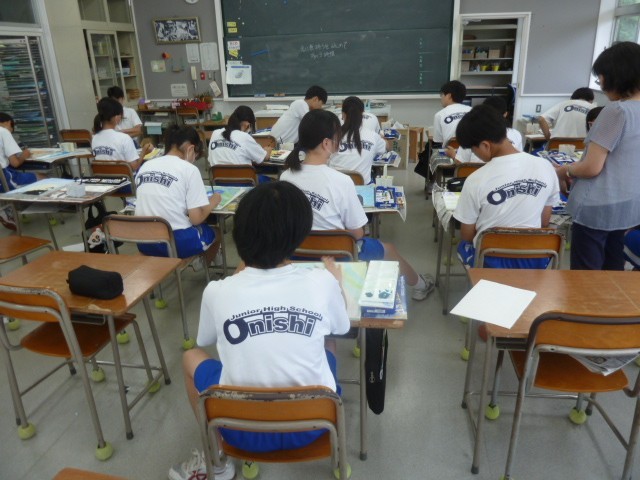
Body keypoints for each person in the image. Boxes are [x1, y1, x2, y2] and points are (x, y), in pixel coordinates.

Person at [170, 181, 350, 480]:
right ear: (298, 235)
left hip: (239, 428)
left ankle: (217, 462)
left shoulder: (217, 291)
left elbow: (205, 339)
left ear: (240, 235)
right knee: (328, 340)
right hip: (315, 422)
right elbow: (341, 327)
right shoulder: (322, 282)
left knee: (191, 357)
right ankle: (338, 456)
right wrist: (337, 283)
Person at [280, 109, 434, 300]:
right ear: (326, 143)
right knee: (388, 249)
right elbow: (357, 233)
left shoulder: (286, 176)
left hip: (296, 252)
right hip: (337, 254)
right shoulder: (340, 181)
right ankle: (421, 285)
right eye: (337, 137)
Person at [555, 42, 640, 271]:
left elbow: (592, 167)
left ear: (615, 76)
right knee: (613, 268)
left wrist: (564, 170)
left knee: (586, 274)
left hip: (597, 206)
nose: (600, 83)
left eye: (601, 76)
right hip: (628, 205)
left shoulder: (616, 111)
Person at [453, 104, 560, 268]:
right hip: (534, 257)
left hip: (489, 258)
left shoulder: (475, 180)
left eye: (474, 151)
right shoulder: (546, 166)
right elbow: (544, 221)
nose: (476, 155)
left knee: (463, 245)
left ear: (485, 145)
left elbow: (467, 235)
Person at [135, 125, 220, 261]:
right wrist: (214, 201)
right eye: (195, 155)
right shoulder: (189, 169)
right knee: (216, 233)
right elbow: (196, 218)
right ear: (190, 149)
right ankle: (202, 264)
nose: (194, 160)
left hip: (144, 240)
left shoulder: (145, 166)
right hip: (176, 241)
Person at [446, 96, 522, 164]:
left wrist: (453, 155)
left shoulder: (472, 134)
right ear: (505, 114)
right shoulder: (516, 134)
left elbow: (461, 164)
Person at [0, 112, 43, 230]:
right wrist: (24, 155)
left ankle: (8, 209)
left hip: (3, 175)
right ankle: (8, 210)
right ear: (9, 122)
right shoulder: (4, 131)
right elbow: (15, 163)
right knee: (43, 178)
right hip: (3, 177)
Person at [330, 96, 387, 184]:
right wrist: (382, 136)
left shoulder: (331, 136)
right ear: (362, 114)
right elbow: (387, 147)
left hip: (335, 186)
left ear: (343, 114)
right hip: (362, 188)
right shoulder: (372, 136)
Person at [208, 106, 272, 182]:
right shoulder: (244, 137)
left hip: (219, 182)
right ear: (247, 124)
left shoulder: (215, 133)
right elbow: (264, 157)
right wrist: (268, 150)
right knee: (273, 182)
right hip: (245, 183)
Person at [92, 97, 151, 172]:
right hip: (124, 178)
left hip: (104, 177)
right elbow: (134, 167)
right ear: (116, 117)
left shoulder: (95, 138)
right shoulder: (124, 138)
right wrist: (144, 152)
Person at [432, 80, 472, 147]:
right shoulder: (473, 111)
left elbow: (438, 141)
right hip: (474, 151)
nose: (441, 98)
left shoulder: (439, 115)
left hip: (450, 150)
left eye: (441, 95)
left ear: (449, 96)